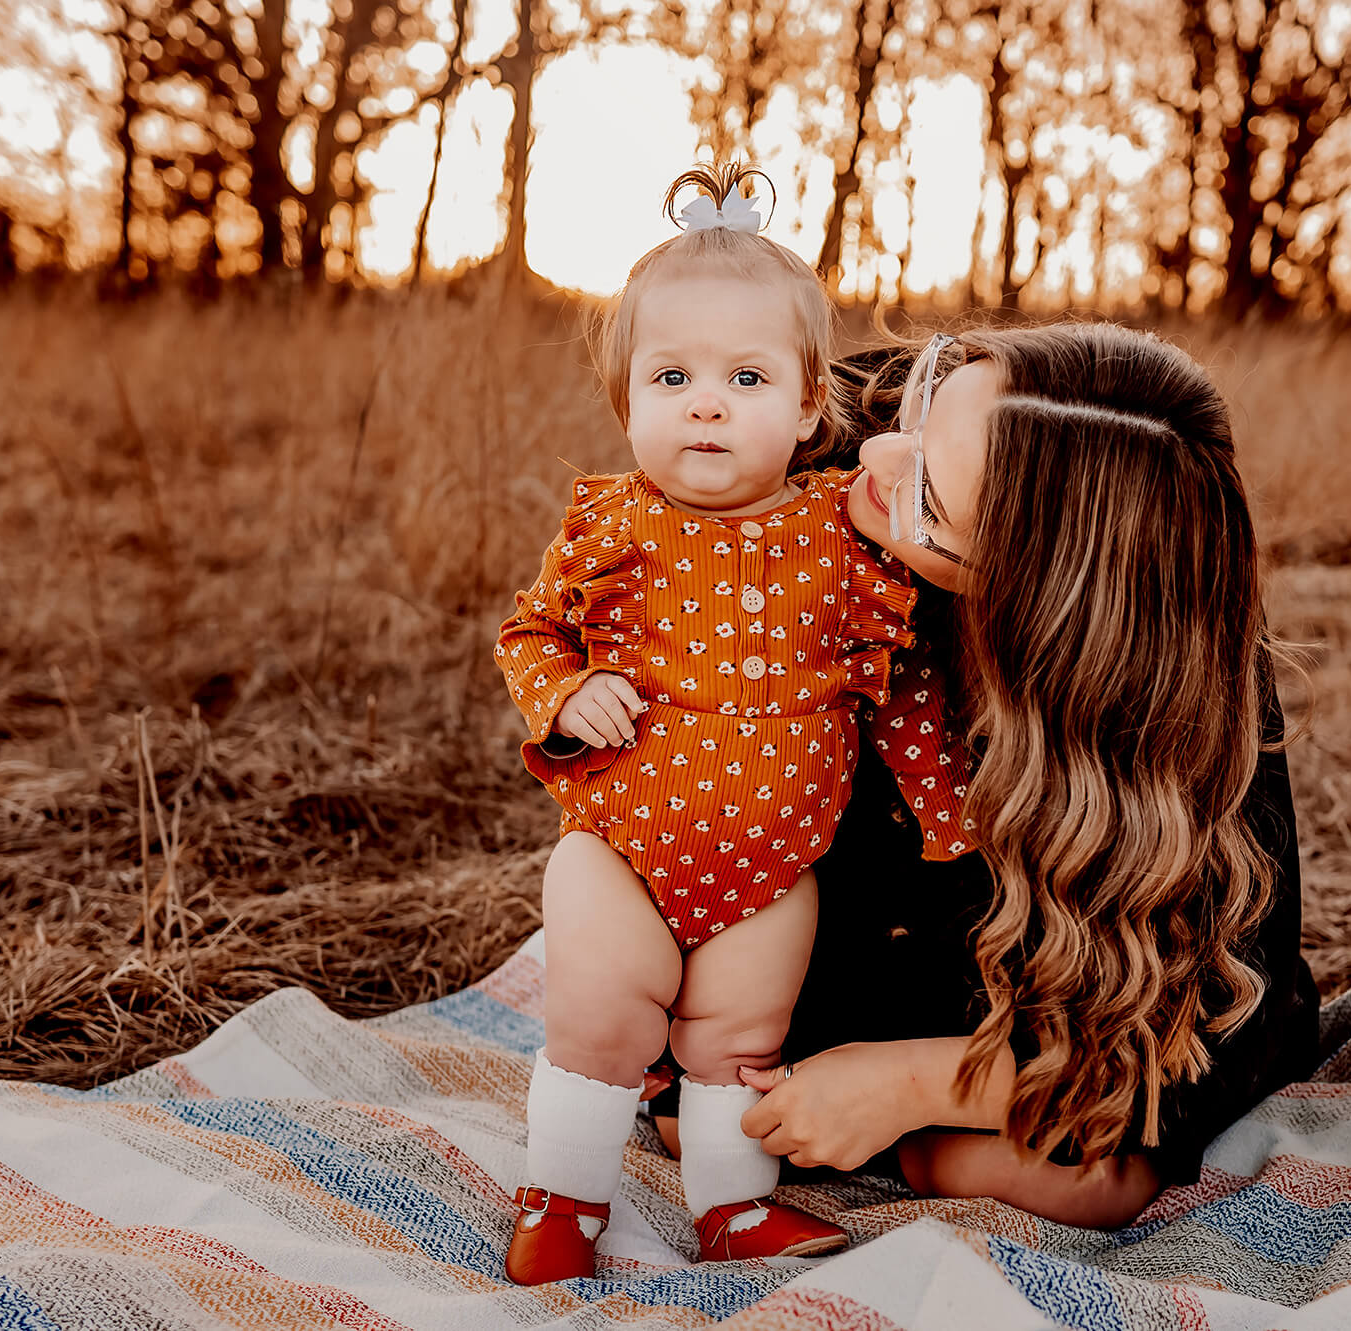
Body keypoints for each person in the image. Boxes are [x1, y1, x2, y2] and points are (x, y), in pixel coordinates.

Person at [648, 323, 1321, 1228]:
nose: (879, 453)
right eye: (929, 398)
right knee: (697, 1113)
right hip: (795, 914)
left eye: (927, 494)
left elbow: (1222, 1019)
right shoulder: (826, 427)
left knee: (1085, 1176)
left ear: (1035, 607)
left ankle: (946, 1104)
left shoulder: (1170, 676)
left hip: (1000, 976)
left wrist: (920, 1082)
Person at [492, 164, 972, 1284]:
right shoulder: (611, 524)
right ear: (628, 405)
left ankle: (731, 1207)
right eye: (672, 376)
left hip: (776, 858)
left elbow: (893, 686)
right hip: (621, 838)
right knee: (601, 1021)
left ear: (810, 407)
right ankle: (564, 1192)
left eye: (744, 376)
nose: (704, 401)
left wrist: (944, 810)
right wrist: (563, 693)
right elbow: (529, 635)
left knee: (737, 1040)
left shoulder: (842, 539)